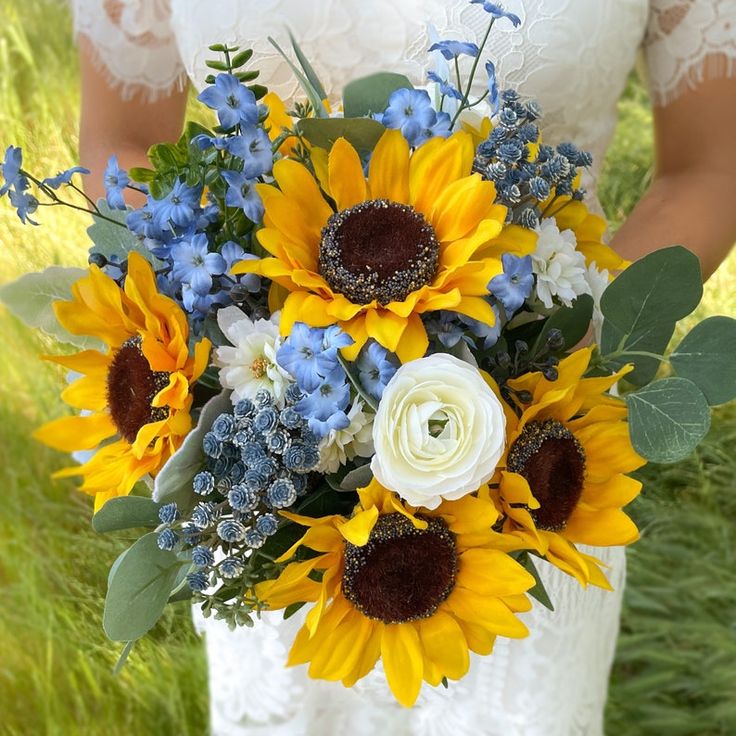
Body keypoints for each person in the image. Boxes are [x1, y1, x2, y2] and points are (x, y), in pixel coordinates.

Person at [72, 1, 736, 734]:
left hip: (536, 469)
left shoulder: (544, 426)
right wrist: (228, 356)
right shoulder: (256, 453)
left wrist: (560, 351)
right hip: (264, 473)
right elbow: (125, 140)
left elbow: (709, 165)